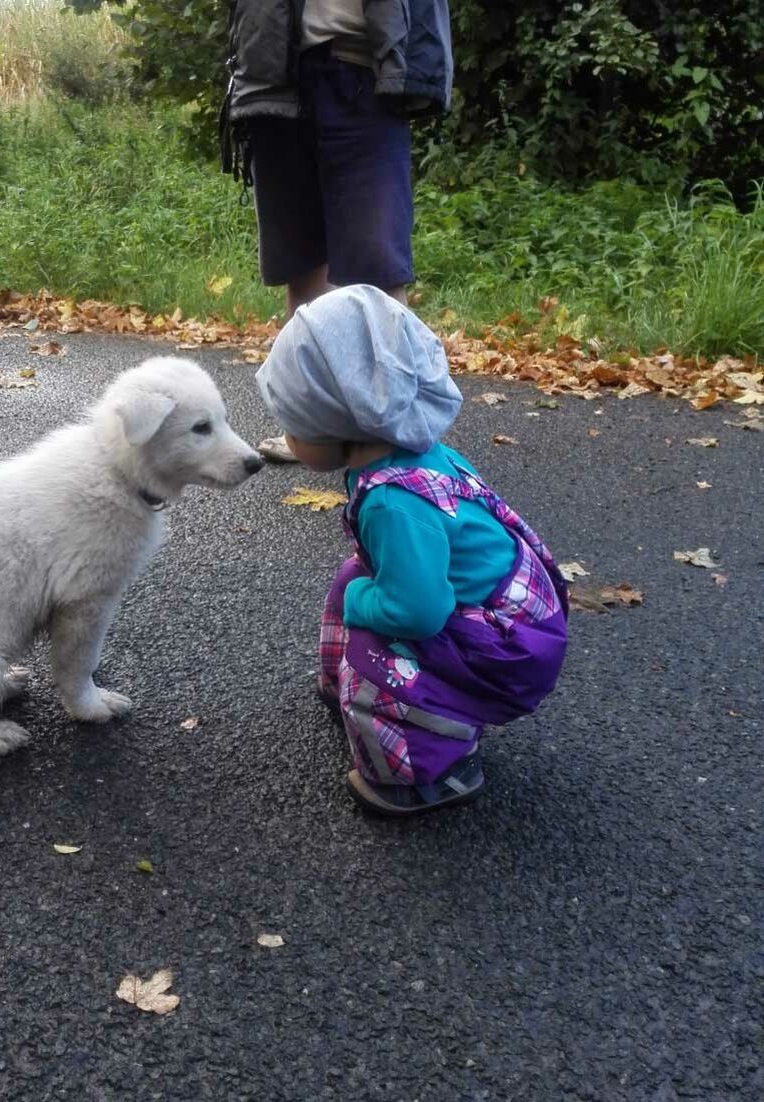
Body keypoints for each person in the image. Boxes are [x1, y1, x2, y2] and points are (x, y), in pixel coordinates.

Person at [255, 285, 570, 816]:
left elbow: (420, 611)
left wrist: (361, 603)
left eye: (293, 423)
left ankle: (429, 772)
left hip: (507, 646)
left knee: (380, 645)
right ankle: (355, 689)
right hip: (510, 611)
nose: (287, 438)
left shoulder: (392, 504)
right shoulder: (409, 447)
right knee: (359, 577)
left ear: (338, 420)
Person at [222, 0, 453, 460]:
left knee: (378, 261)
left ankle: (396, 430)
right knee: (300, 260)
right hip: (276, 73)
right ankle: (310, 432)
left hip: (366, 67)